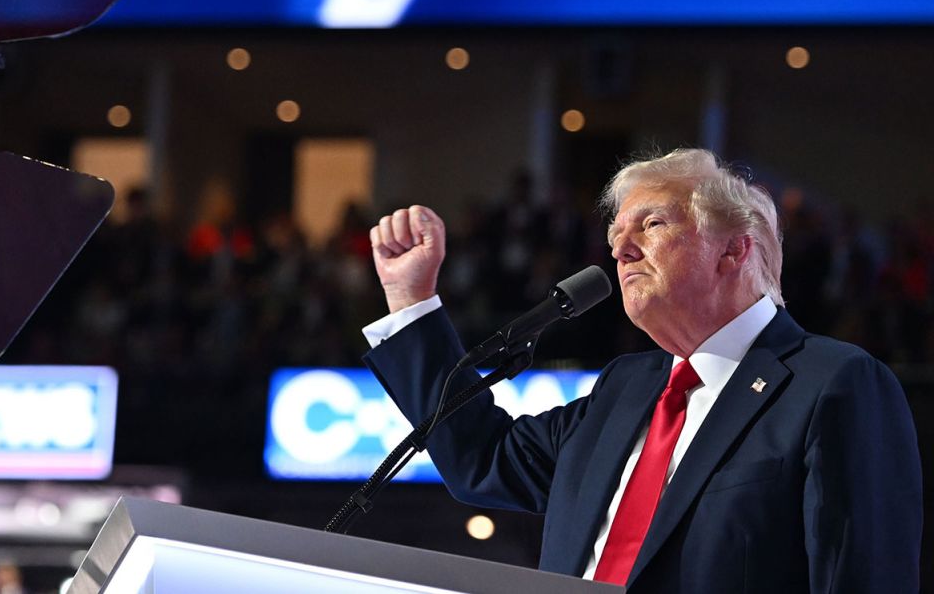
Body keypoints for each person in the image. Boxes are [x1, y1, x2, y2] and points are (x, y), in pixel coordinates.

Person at [362, 149, 920, 593]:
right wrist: (411, 299)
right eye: (613, 238)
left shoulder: (833, 384)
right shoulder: (623, 389)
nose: (621, 251)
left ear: (733, 251)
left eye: (650, 225)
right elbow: (480, 459)